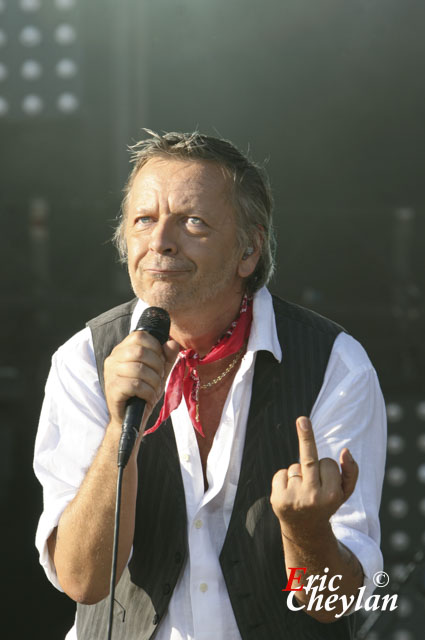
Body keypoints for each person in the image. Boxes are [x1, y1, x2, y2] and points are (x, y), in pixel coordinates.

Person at [34, 130, 386, 640]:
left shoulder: (336, 364)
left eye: (192, 221)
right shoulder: (83, 359)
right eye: (144, 220)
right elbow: (84, 582)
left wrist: (305, 530)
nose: (160, 241)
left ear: (248, 250)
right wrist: (118, 429)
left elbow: (335, 602)